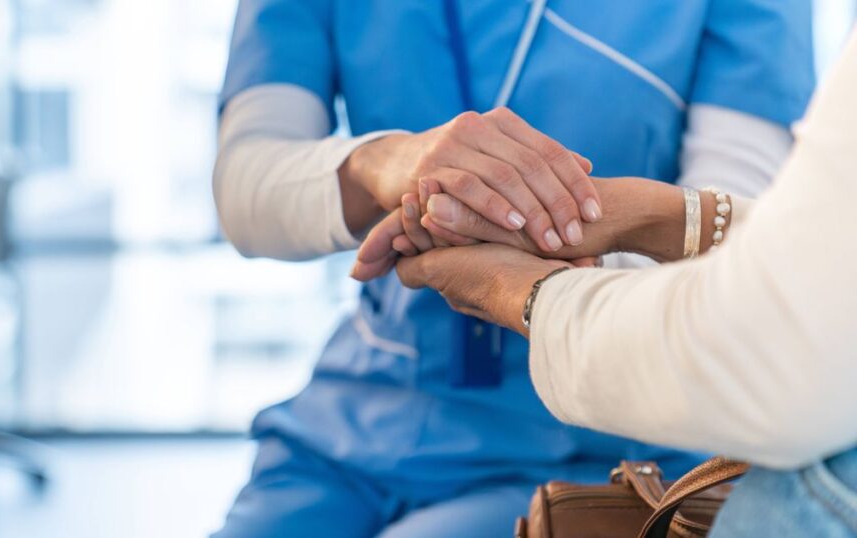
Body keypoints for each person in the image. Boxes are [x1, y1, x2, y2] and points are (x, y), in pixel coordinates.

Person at [212, 1, 814, 536]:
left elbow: (731, 238)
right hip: (361, 416)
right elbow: (246, 184)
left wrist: (506, 228)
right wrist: (385, 163)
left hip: (598, 434)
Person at [388, 29, 857, 538]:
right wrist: (655, 216)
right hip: (372, 399)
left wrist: (526, 291)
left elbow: (784, 357)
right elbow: (830, 262)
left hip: (635, 429)